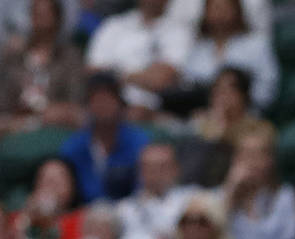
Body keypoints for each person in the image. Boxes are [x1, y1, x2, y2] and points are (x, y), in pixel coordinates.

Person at [84, 0, 193, 115]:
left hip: (155, 110)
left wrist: (114, 72)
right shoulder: (114, 25)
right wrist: (145, 75)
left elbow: (162, 80)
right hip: (109, 106)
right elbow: (93, 72)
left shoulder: (179, 31)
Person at [59, 71, 151, 202]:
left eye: (108, 100)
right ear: (87, 107)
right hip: (85, 214)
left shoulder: (139, 142)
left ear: (120, 104)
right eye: (96, 101)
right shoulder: (74, 146)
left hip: (129, 210)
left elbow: (143, 188)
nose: (102, 106)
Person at [0, 0, 85, 134]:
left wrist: (48, 111)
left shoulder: (70, 58)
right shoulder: (14, 58)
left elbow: (76, 101)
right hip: (15, 128)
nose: (39, 20)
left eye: (45, 15)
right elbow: (3, 102)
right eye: (35, 14)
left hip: (54, 129)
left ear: (57, 19)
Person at [224, 124, 295, 239]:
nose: (252, 162)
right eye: (245, 154)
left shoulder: (285, 195)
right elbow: (214, 237)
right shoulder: (224, 196)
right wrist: (230, 190)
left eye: (258, 154)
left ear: (270, 159)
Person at [180, 0, 278, 110]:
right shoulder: (198, 48)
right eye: (215, 8)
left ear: (237, 10)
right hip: (203, 115)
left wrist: (239, 101)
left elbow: (267, 86)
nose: (220, 13)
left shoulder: (256, 44)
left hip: (246, 114)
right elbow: (187, 84)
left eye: (225, 8)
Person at [5, 157, 84, 239]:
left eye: (58, 180)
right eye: (45, 179)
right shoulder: (19, 216)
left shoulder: (80, 219)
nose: (51, 186)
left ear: (72, 185)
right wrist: (26, 216)